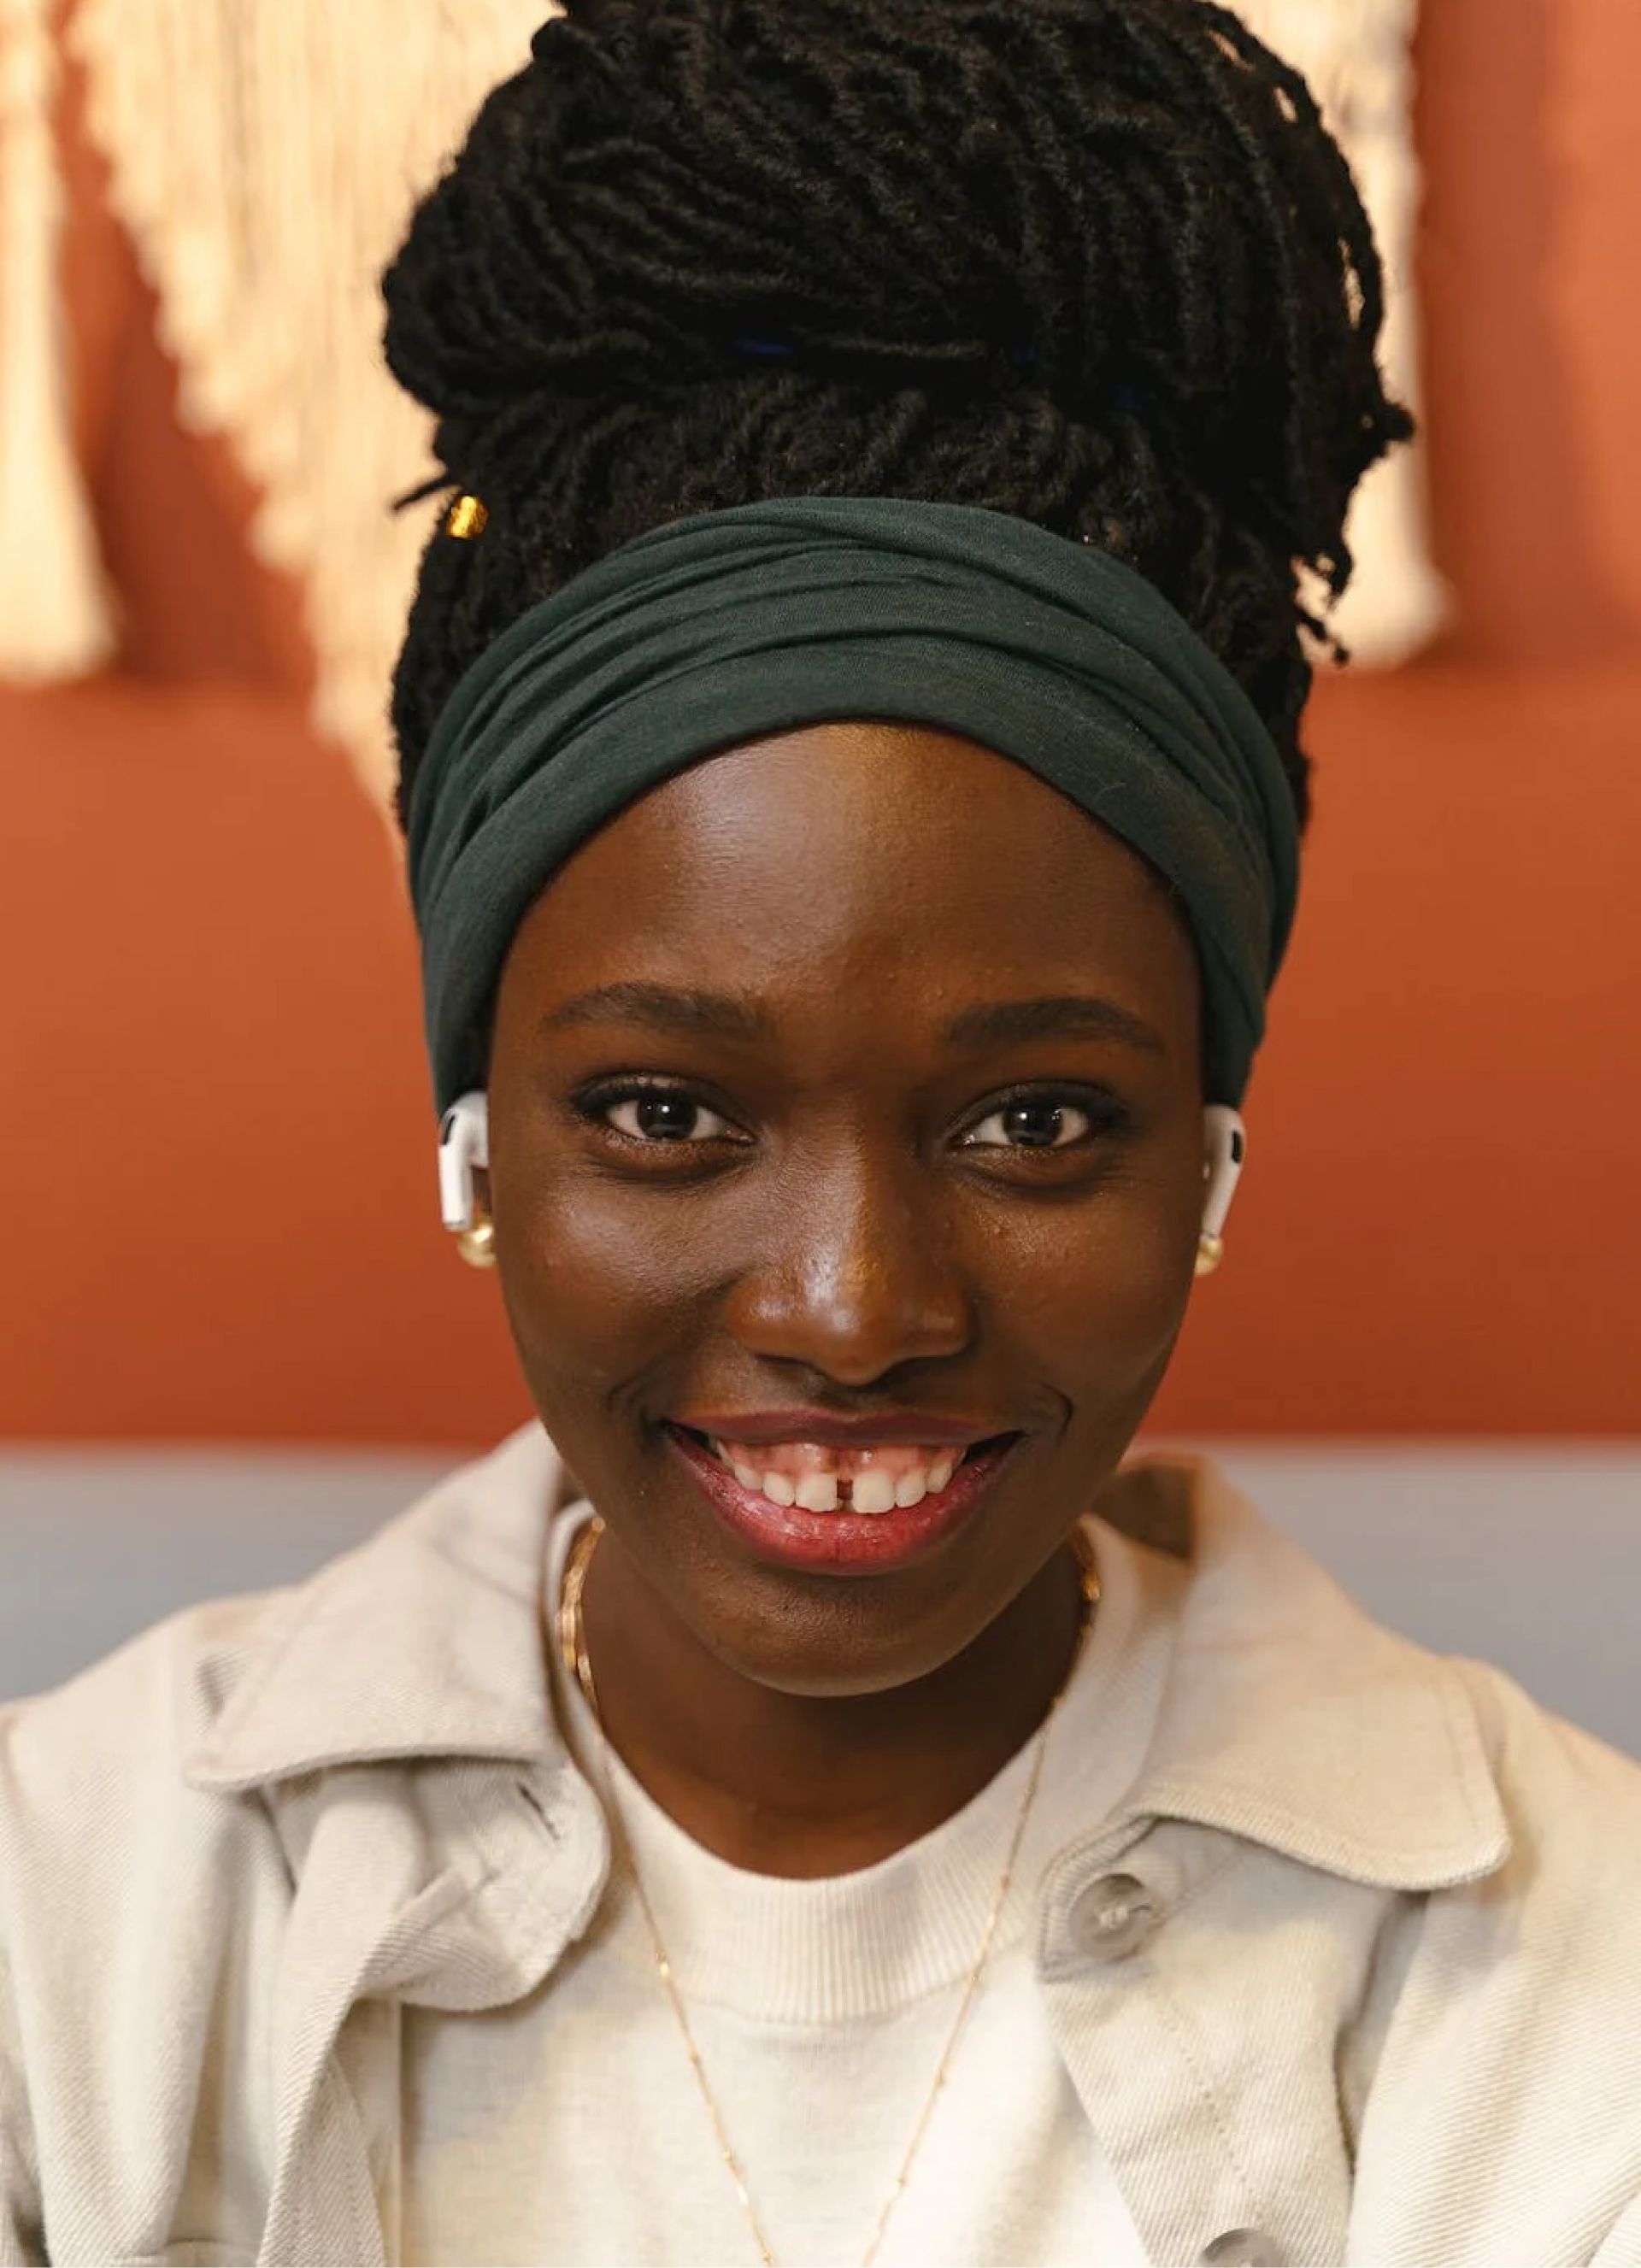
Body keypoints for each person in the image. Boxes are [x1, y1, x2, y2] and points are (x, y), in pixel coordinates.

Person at [3, 2, 1640, 2263]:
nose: (857, 1312)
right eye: (669, 1111)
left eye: (1037, 1120)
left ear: (1209, 1159)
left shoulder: (1575, 1985)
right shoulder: (66, 1927)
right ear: (478, 1142)